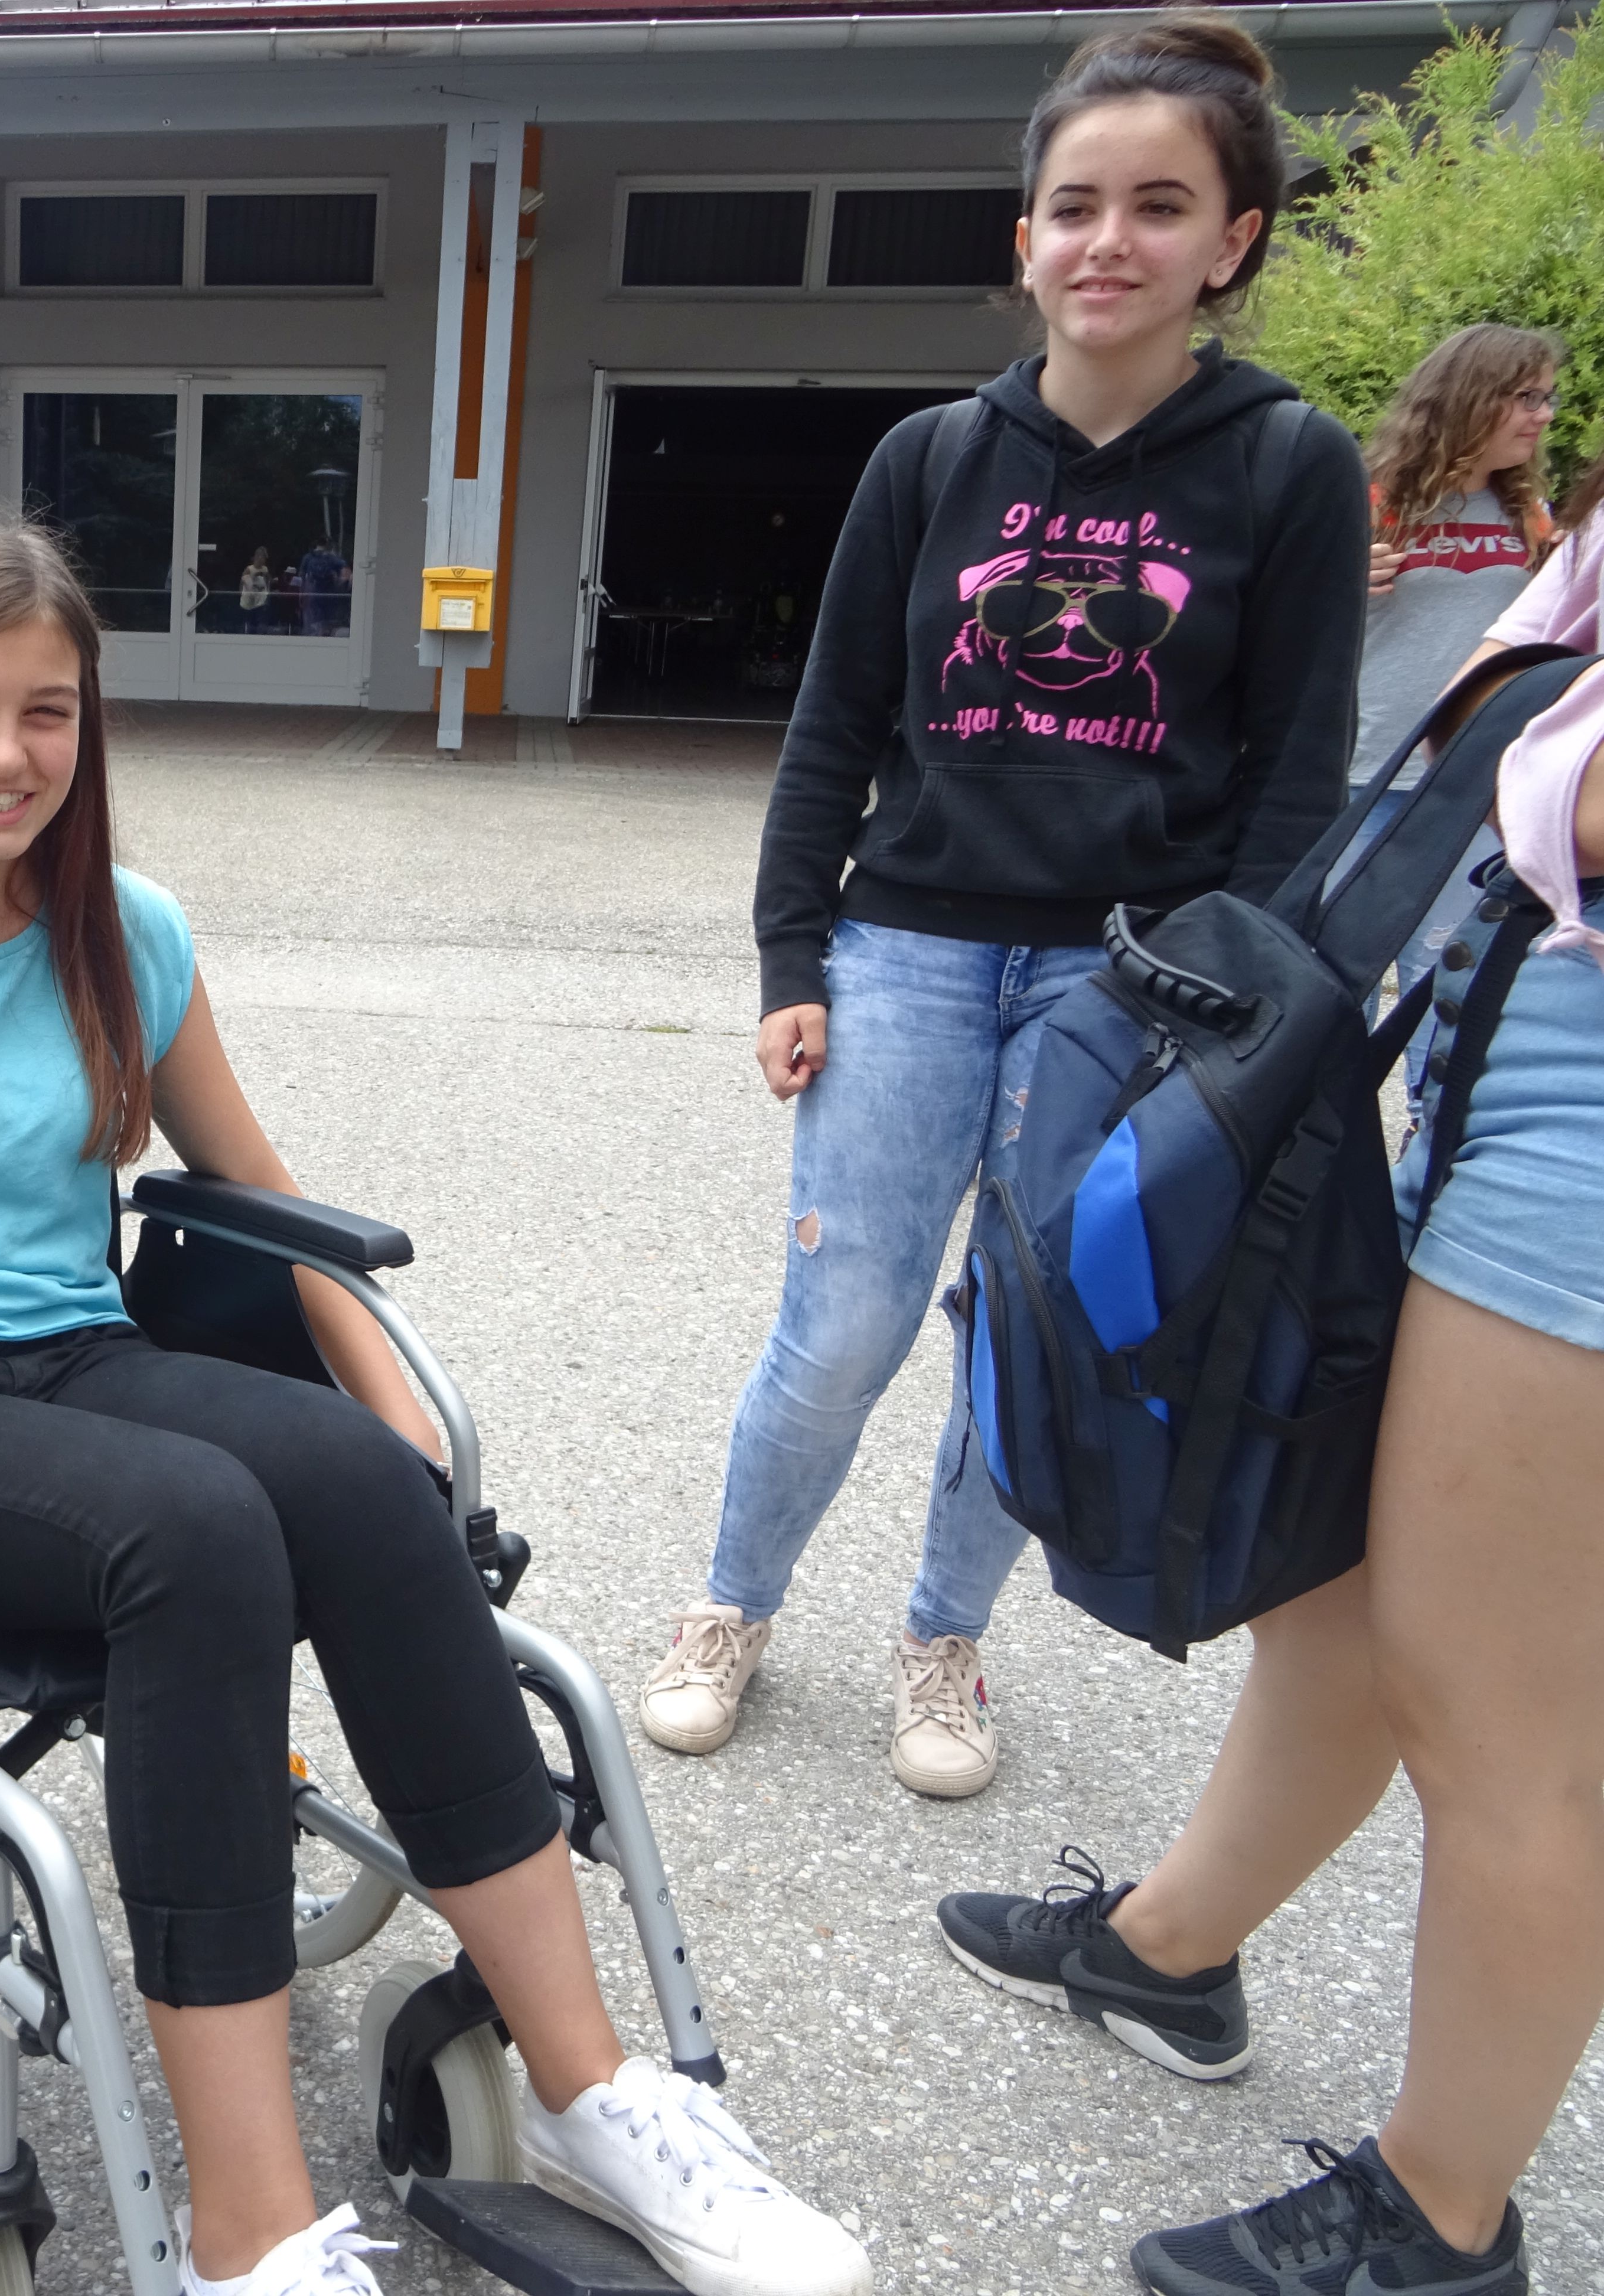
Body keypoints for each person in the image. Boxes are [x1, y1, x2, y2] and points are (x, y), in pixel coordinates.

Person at [0, 516, 873, 2296]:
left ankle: (592, 2091)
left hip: (78, 1356)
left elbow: (258, 1195)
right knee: (193, 1532)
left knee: (359, 1490)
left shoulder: (125, 936)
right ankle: (251, 2237)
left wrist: (400, 1422)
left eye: (47, 711)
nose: (6, 753)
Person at [636, 12, 1367, 1799]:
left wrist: (1230, 1017)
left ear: (1231, 241)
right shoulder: (929, 460)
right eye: (1076, 206)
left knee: (1030, 1329)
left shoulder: (1289, 464)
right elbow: (834, 727)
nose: (1111, 241)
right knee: (846, 1322)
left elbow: (1296, 778)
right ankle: (733, 1603)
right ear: (1026, 238)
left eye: (1160, 206)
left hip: (1134, 983)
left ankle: (945, 1638)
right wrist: (792, 955)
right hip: (908, 948)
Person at [932, 459, 1604, 2294]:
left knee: (1509, 1720)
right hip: (1508, 1035)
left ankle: (1440, 2220)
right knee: (1343, 1586)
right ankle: (1169, 1952)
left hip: (1580, 1119)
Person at [1347, 325, 1560, 1088]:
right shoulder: (1366, 504)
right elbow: (1277, 633)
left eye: (1548, 398)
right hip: (1362, 778)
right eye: (1526, 397)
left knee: (1450, 984)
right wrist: (1337, 585)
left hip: (1476, 786)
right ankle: (1322, 1147)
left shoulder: (1532, 517)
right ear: (1470, 396)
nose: (1544, 416)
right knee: (1337, 983)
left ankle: (1428, 1144)